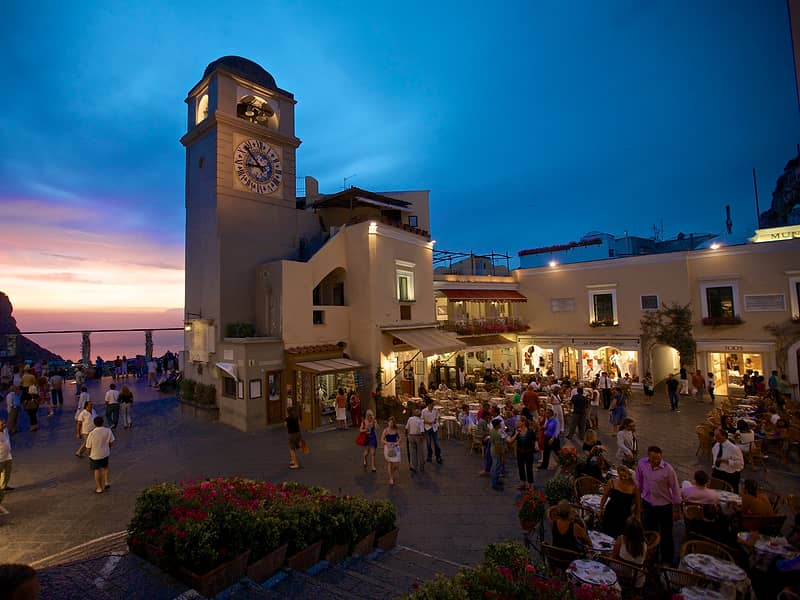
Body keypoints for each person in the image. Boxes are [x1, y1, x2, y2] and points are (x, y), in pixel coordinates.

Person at [635, 446, 681, 565]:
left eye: (658, 459)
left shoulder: (668, 470)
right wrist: (639, 503)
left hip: (664, 505)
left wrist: (676, 509)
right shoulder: (642, 464)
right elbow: (639, 482)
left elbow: (675, 489)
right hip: (648, 503)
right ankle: (651, 558)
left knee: (666, 533)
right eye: (653, 458)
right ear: (648, 456)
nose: (656, 461)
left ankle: (667, 560)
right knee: (649, 531)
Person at [599, 465, 642, 538]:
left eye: (624, 476)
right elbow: (604, 497)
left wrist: (638, 517)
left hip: (624, 515)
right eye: (620, 476)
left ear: (629, 475)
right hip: (610, 512)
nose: (622, 478)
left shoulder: (635, 487)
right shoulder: (612, 482)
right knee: (606, 534)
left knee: (620, 536)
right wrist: (600, 508)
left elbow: (638, 504)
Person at [611, 516, 647, 587]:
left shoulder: (621, 539)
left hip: (620, 573)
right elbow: (643, 560)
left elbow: (613, 557)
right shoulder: (644, 544)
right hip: (636, 576)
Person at [85, 415, 114, 493]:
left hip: (95, 455)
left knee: (97, 470)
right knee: (105, 467)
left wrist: (89, 454)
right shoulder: (108, 430)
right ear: (102, 422)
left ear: (94, 423)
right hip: (105, 453)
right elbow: (111, 441)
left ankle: (99, 488)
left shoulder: (92, 433)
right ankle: (107, 482)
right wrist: (108, 448)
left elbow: (88, 447)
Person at [711, 428, 744, 493]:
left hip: (730, 475)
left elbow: (740, 464)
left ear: (724, 436)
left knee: (731, 492)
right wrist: (714, 466)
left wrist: (726, 461)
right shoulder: (716, 445)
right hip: (718, 472)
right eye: (715, 436)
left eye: (717, 436)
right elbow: (715, 456)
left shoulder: (734, 448)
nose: (715, 438)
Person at [509, 415, 535, 490]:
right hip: (520, 452)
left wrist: (536, 445)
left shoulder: (530, 431)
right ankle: (523, 483)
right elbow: (510, 441)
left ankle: (531, 484)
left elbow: (535, 439)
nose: (517, 422)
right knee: (521, 468)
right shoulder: (517, 430)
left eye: (518, 421)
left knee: (529, 468)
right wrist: (516, 434)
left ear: (523, 422)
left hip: (529, 452)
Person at [421, 397, 442, 464]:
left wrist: (435, 421)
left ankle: (438, 456)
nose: (433, 405)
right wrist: (428, 422)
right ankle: (429, 456)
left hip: (434, 428)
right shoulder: (424, 411)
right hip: (427, 428)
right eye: (432, 404)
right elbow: (422, 420)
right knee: (428, 443)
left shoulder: (435, 410)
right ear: (429, 404)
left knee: (437, 443)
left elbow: (437, 417)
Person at [381, 416, 401, 485]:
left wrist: (397, 442)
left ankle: (392, 473)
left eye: (392, 423)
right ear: (388, 422)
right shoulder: (385, 430)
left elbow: (400, 438)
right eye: (390, 422)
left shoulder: (396, 430)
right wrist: (387, 443)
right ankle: (391, 478)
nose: (391, 424)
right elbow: (382, 440)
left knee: (397, 464)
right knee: (390, 463)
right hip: (388, 448)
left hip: (396, 447)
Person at [405, 409, 425, 473]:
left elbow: (406, 428)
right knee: (420, 452)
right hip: (418, 436)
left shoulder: (410, 419)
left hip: (411, 436)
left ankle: (414, 466)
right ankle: (421, 467)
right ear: (420, 414)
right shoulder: (421, 421)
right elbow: (422, 431)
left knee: (413, 452)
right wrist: (423, 437)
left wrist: (406, 435)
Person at [489, 417, 505, 491]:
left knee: (494, 466)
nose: (501, 425)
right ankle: (494, 483)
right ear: (497, 425)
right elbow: (498, 446)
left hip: (493, 450)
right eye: (499, 424)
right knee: (496, 467)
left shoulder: (492, 431)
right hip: (496, 452)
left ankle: (496, 480)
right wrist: (502, 455)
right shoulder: (497, 434)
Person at [0, 418, 12, 491]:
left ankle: (3, 486)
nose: (4, 425)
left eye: (4, 423)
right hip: (0, 458)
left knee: (7, 473)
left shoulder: (5, 430)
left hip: (8, 456)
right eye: (2, 424)